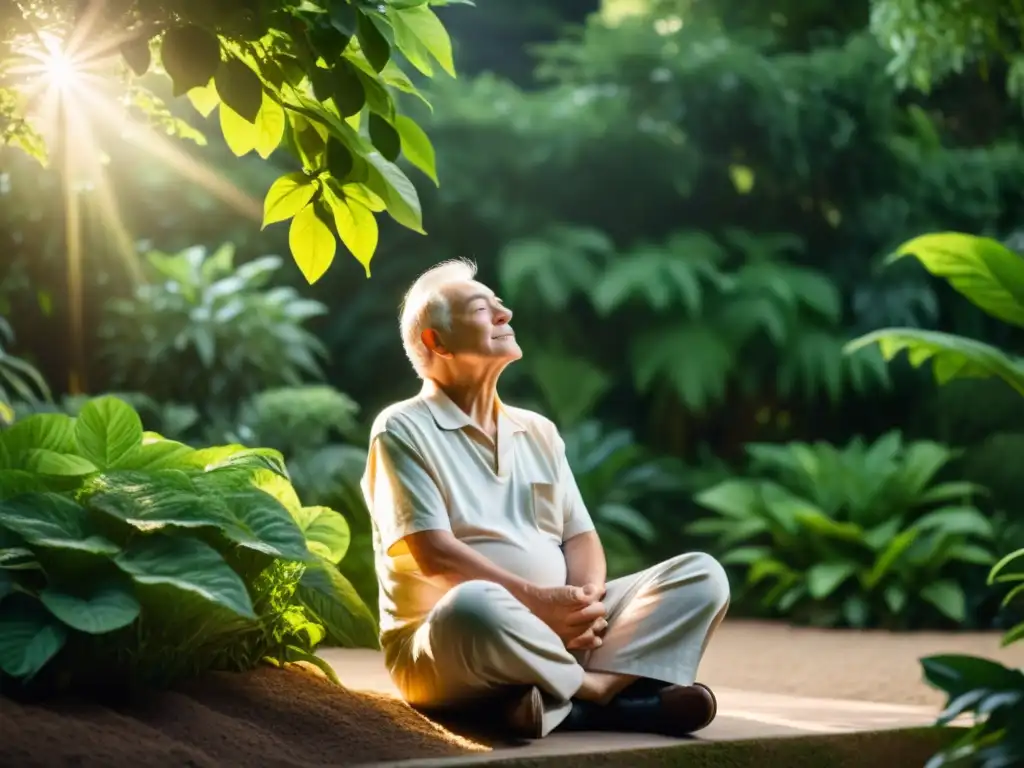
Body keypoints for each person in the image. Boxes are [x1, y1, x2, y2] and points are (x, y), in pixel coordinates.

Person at [360, 259, 731, 739]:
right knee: (472, 605)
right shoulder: (401, 427)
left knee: (701, 576)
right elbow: (433, 554)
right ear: (436, 342)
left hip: (557, 630)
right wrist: (538, 604)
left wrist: (585, 606)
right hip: (451, 641)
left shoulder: (537, 430)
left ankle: (556, 696)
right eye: (482, 308)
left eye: (500, 304)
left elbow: (581, 538)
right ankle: (604, 698)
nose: (504, 314)